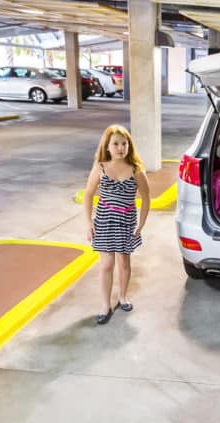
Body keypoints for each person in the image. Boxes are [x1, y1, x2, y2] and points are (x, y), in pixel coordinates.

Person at [83, 124, 150, 325]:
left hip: (126, 220)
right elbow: (87, 195)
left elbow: (147, 198)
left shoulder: (137, 170)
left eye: (124, 143)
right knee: (106, 265)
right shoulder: (100, 167)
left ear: (129, 145)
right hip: (104, 219)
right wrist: (88, 223)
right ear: (107, 146)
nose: (120, 148)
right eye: (116, 144)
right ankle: (105, 305)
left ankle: (122, 296)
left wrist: (141, 225)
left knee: (124, 262)